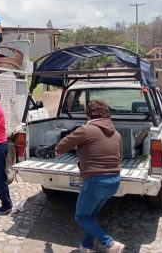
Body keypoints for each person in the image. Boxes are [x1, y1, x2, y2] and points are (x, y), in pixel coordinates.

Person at [54, 100, 125, 253]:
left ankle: (110, 244)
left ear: (89, 114)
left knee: (81, 217)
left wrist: (58, 150)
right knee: (91, 214)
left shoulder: (86, 129)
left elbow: (63, 144)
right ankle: (87, 246)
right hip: (114, 181)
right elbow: (119, 158)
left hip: (95, 182)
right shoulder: (117, 134)